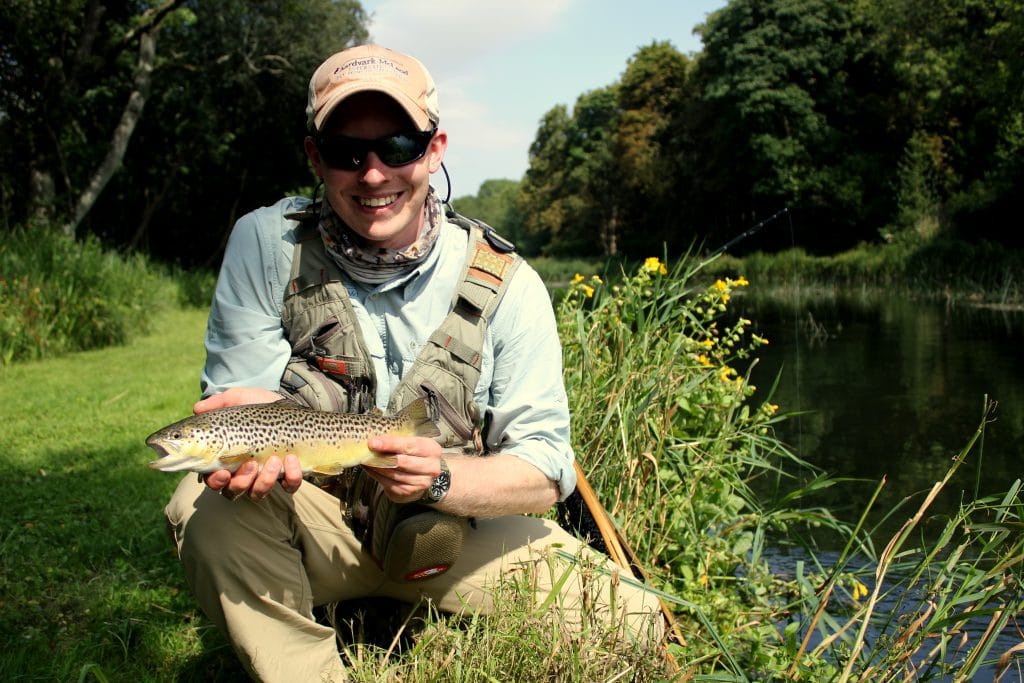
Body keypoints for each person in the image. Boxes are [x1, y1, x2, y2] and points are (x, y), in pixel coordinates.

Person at [164, 44, 662, 682]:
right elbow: (243, 399)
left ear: (434, 148)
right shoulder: (265, 245)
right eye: (347, 152)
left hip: (452, 530)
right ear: (315, 156)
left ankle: (390, 604)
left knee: (634, 619)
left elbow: (545, 470)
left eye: (397, 146)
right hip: (309, 523)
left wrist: (442, 480)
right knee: (204, 507)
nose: (374, 175)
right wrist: (244, 426)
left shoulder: (510, 282)